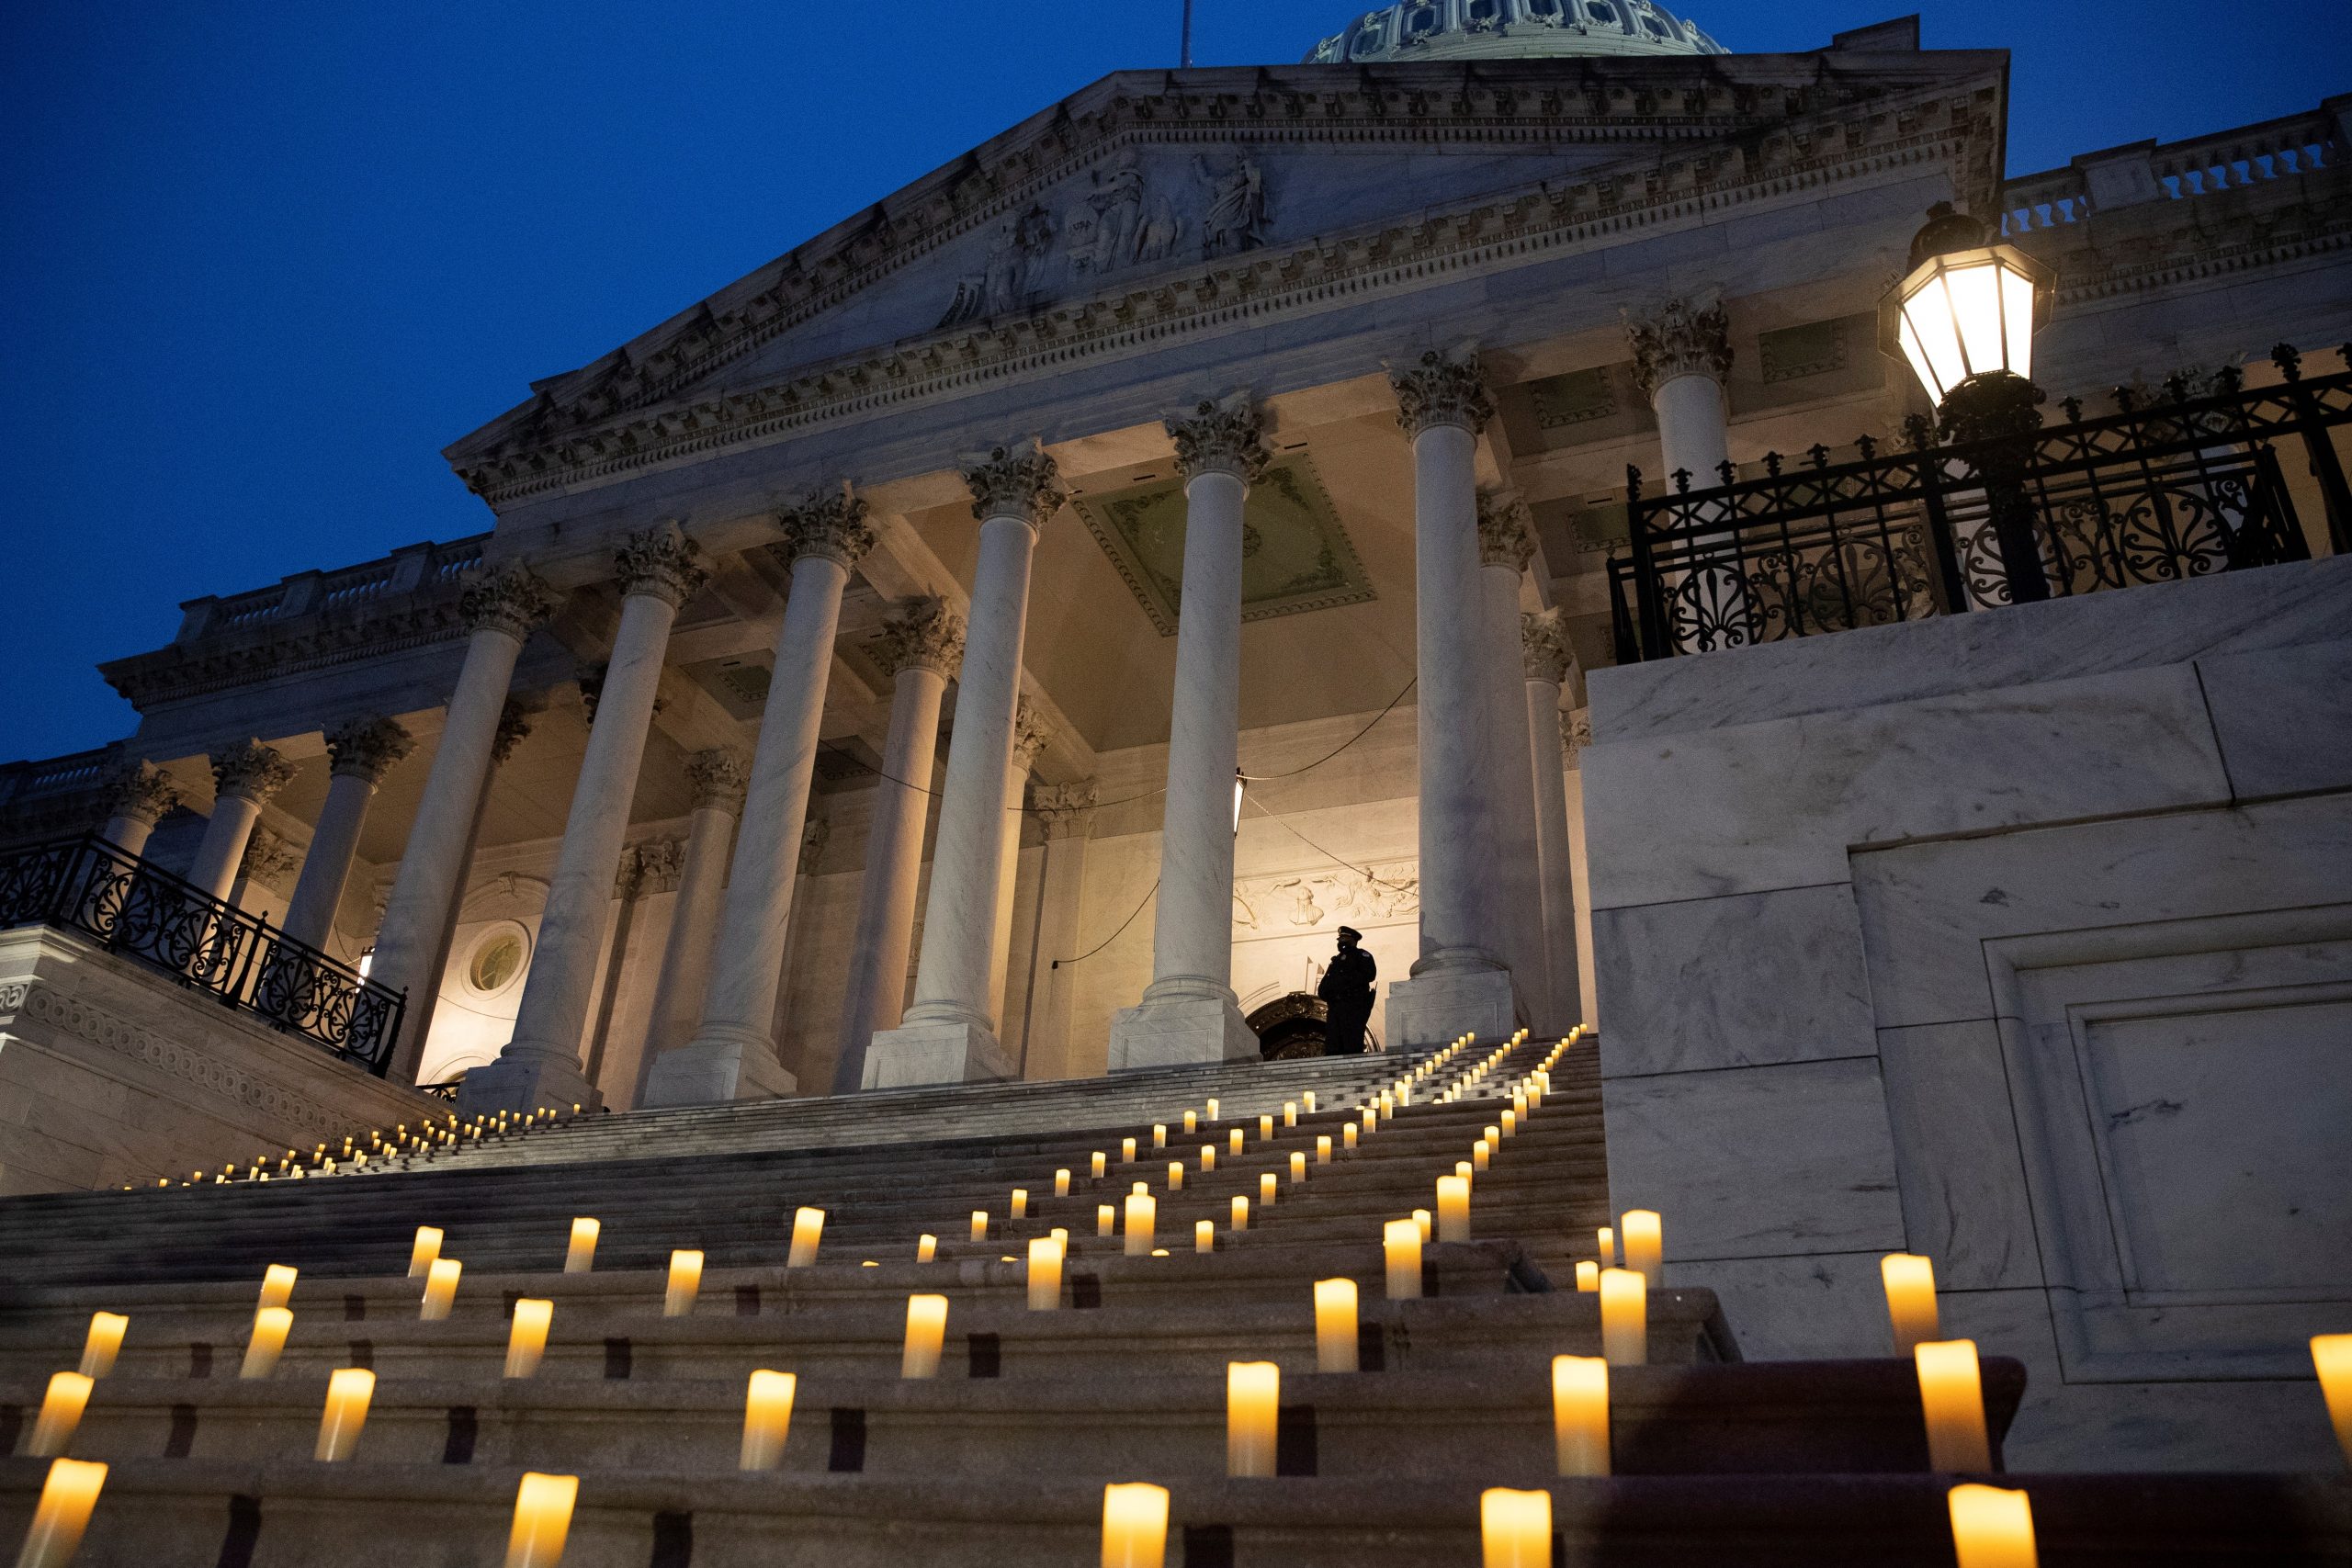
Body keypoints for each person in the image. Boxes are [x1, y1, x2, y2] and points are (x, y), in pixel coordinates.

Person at [1317, 926, 1376, 1055]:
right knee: (1333, 1044)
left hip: (1353, 1006)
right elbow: (1324, 986)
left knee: (1351, 1043)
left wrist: (1345, 983)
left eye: (1344, 938)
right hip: (1335, 1008)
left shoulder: (1362, 955)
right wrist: (1326, 992)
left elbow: (1369, 974)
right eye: (1340, 939)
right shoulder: (1336, 960)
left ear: (1353, 940)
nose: (1341, 942)